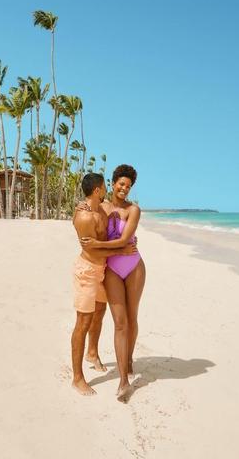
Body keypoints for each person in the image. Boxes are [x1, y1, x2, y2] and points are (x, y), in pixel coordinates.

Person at [80, 164, 145, 402]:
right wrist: (80, 206)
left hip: (134, 266)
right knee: (120, 322)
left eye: (128, 186)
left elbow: (126, 241)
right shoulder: (103, 206)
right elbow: (86, 212)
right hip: (113, 269)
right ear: (114, 181)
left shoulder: (134, 210)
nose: (124, 189)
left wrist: (97, 246)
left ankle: (128, 360)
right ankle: (124, 381)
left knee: (132, 316)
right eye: (121, 183)